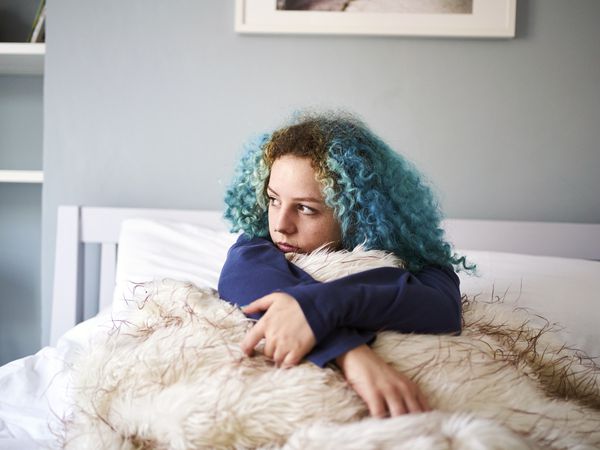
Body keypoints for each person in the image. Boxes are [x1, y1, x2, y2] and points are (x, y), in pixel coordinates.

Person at [218, 111, 469, 418]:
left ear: (357, 213)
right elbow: (242, 279)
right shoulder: (259, 243)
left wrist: (318, 306)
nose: (281, 224)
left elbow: (442, 307)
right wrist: (350, 352)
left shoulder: (411, 257)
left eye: (306, 209)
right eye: (273, 199)